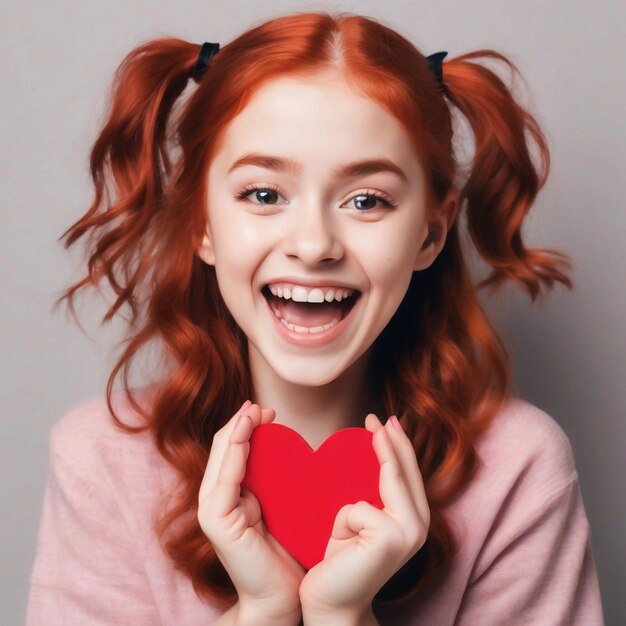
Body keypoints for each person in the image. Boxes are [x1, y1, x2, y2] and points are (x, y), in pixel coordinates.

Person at [26, 10, 605, 626]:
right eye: (264, 194)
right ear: (202, 224)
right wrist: (263, 612)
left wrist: (340, 615)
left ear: (431, 234)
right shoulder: (101, 460)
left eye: (366, 200)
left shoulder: (517, 469)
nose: (313, 244)